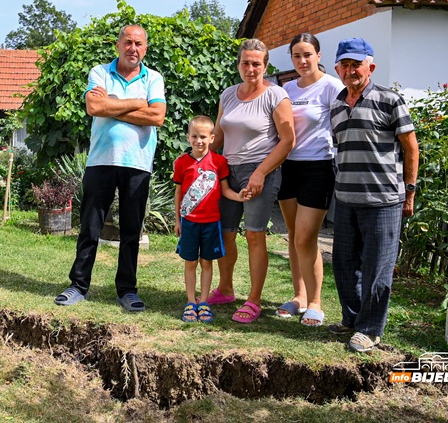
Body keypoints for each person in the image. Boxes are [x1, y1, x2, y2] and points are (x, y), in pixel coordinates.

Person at [54, 24, 166, 312]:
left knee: (131, 230)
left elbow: (157, 116)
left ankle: (127, 290)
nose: (133, 48)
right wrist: (137, 103)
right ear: (118, 45)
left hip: (137, 164)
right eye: (128, 42)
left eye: (138, 43)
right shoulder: (100, 73)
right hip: (101, 161)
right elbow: (94, 108)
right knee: (89, 227)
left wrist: (112, 104)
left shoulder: (153, 78)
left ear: (145, 48)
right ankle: (78, 285)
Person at [328, 37, 419, 352]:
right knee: (343, 264)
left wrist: (410, 192)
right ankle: (352, 319)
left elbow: (411, 148)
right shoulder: (336, 105)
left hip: (383, 201)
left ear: (371, 67)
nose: (350, 70)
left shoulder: (390, 100)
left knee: (377, 269)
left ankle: (370, 329)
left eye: (357, 64)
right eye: (345, 65)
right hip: (345, 200)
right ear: (338, 69)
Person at [207, 39, 295, 324]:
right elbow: (219, 136)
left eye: (256, 63)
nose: (250, 68)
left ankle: (254, 300)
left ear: (265, 66)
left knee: (254, 235)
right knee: (225, 232)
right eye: (245, 62)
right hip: (228, 170)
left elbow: (288, 140)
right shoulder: (228, 95)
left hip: (261, 170)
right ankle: (226, 289)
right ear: (238, 65)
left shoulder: (276, 95)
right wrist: (199, 162)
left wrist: (260, 173)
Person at [275, 33, 344, 327]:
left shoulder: (332, 86)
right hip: (288, 167)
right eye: (296, 56)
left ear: (318, 55)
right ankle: (299, 296)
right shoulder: (287, 88)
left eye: (307, 54)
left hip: (319, 167)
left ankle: (315, 302)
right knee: (293, 235)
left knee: (306, 237)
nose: (302, 61)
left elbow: (344, 124)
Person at [173, 115, 248, 323]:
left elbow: (225, 190)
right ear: (188, 137)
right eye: (194, 136)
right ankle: (191, 301)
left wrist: (238, 196)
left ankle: (204, 301)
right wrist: (178, 220)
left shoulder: (219, 162)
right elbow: (178, 193)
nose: (199, 141)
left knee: (207, 262)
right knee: (190, 262)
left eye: (203, 137)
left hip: (212, 223)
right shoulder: (181, 163)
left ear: (212, 138)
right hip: (189, 222)